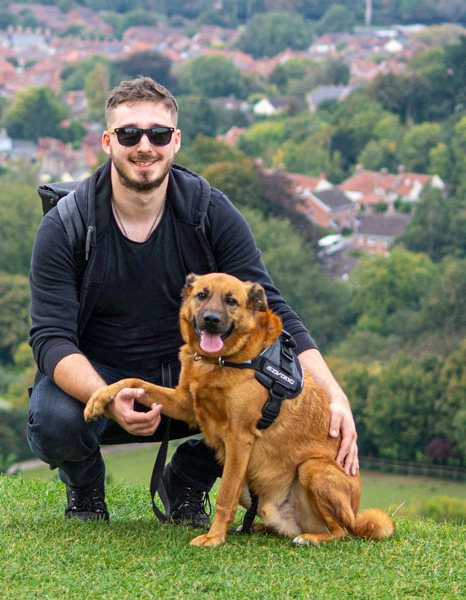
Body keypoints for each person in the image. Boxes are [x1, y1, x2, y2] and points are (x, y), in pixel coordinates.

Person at [27, 77, 358, 525]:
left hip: (200, 376)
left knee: (271, 396)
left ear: (175, 141)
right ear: (108, 141)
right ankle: (85, 488)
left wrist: (335, 396)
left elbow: (270, 310)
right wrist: (106, 395)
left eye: (158, 134)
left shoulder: (209, 212)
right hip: (101, 372)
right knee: (52, 419)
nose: (145, 146)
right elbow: (50, 339)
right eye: (129, 134)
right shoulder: (67, 224)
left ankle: (188, 479)